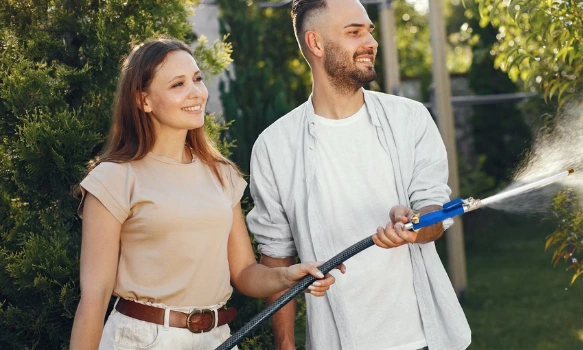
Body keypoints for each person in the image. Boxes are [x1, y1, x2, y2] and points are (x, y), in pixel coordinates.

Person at [68, 38, 343, 350]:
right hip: (143, 340)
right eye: (178, 84)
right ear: (142, 100)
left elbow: (243, 273)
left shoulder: (221, 173)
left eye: (197, 79)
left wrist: (288, 276)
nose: (196, 92)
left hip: (217, 338)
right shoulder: (115, 178)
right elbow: (94, 297)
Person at [246, 0, 472, 349]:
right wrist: (285, 345)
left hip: (422, 339)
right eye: (354, 32)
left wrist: (415, 224)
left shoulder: (410, 119)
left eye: (369, 29)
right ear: (316, 43)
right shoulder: (274, 147)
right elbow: (276, 256)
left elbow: (433, 213)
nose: (371, 41)